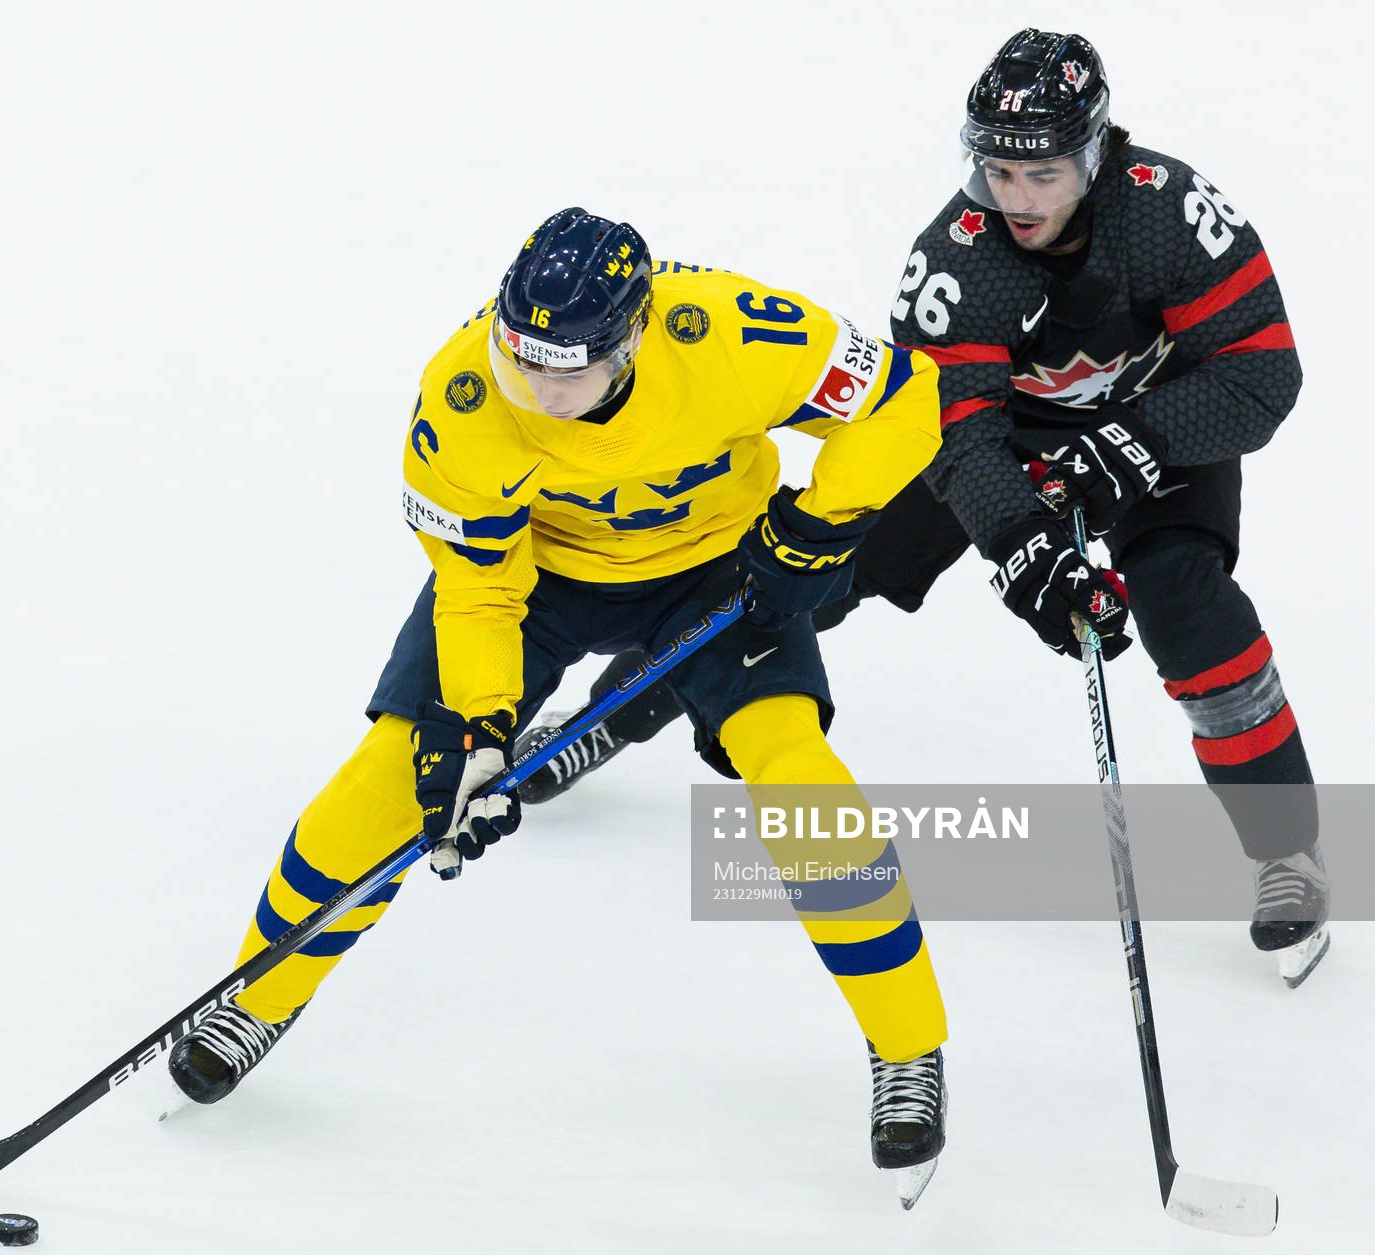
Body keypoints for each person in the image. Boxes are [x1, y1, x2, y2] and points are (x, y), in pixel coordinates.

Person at [516, 30, 1328, 988]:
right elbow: (960, 436)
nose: (1016, 198)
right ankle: (618, 708)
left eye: (1044, 173)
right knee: (800, 576)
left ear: (1098, 150)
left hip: (1164, 429)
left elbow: (1264, 373)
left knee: (1188, 603)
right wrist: (1027, 545)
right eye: (996, 170)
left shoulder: (1169, 214)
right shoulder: (957, 258)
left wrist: (1133, 444)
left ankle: (1287, 853)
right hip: (1003, 440)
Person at [167, 207, 954, 1195]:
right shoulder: (460, 401)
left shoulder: (735, 334)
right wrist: (480, 727)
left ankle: (907, 1045)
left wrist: (818, 524)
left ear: (630, 338)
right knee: (386, 775)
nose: (536, 389)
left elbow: (901, 395)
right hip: (533, 582)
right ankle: (259, 993)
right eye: (520, 358)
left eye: (566, 369)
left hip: (716, 568)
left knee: (795, 772)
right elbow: (478, 587)